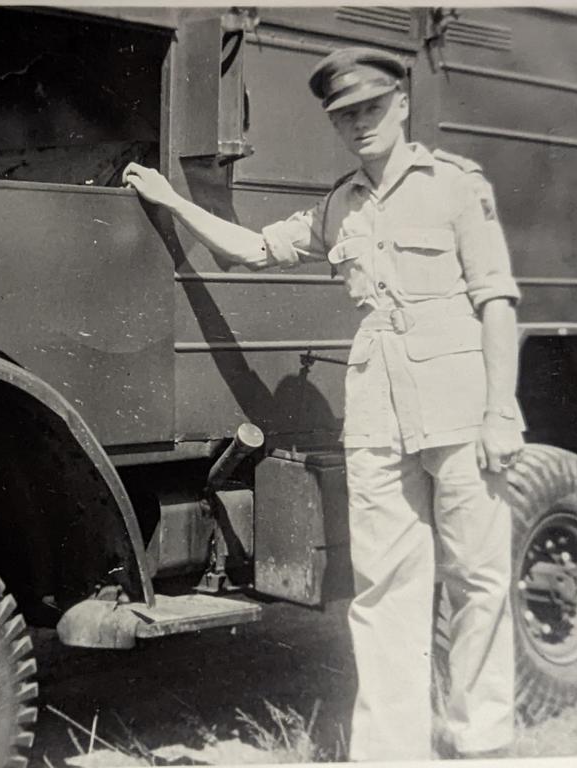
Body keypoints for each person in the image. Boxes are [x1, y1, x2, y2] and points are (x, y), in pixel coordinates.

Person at [122, 46, 524, 761]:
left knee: (477, 577)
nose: (359, 124)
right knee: (382, 592)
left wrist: (502, 411)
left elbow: (496, 302)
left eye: (370, 108)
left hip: (461, 404)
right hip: (376, 411)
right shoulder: (341, 206)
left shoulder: (455, 187)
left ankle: (480, 736)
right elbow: (251, 251)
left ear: (401, 105)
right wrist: (173, 200)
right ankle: (391, 751)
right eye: (345, 116)